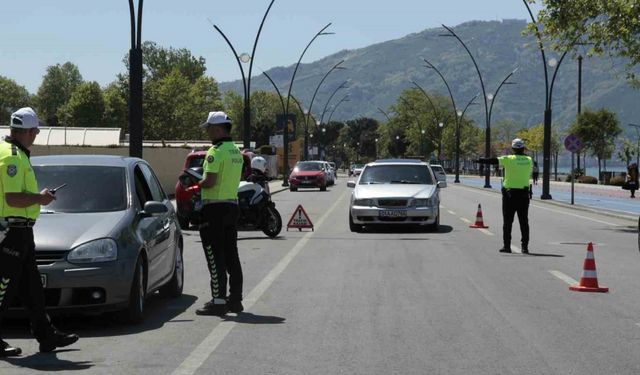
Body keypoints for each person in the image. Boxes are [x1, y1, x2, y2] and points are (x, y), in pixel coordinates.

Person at [0, 108, 78, 357]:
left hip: (21, 232)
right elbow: (12, 198)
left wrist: (37, 198)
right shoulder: (12, 157)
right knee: (3, 288)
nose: (35, 136)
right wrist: (41, 199)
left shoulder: (16, 154)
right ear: (30, 131)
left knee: (32, 289)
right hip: (11, 230)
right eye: (35, 132)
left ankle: (46, 335)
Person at [195, 111, 245, 316]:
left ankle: (218, 302)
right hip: (232, 206)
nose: (207, 133)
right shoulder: (235, 151)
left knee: (215, 256)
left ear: (217, 129)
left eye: (208, 129)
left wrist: (196, 184)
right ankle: (235, 300)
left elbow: (210, 181)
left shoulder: (215, 151)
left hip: (213, 208)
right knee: (232, 254)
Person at [476, 138, 533, 254]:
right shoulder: (529, 160)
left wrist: (479, 160)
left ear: (513, 149)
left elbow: (492, 161)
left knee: (507, 222)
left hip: (509, 195)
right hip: (524, 195)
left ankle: (507, 246)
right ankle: (525, 247)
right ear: (523, 148)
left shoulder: (509, 159)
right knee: (524, 222)